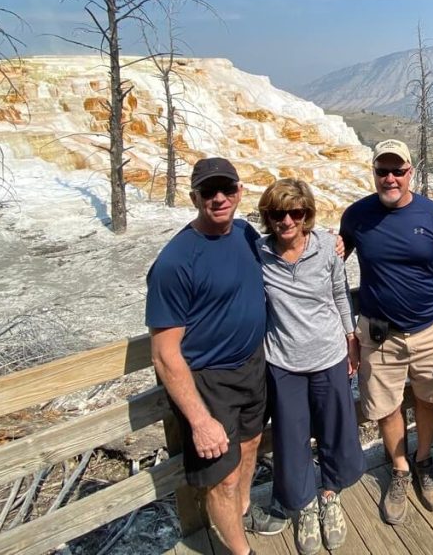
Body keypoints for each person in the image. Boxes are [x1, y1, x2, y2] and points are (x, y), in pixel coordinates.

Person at [145, 158, 288, 555]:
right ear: (194, 198)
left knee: (250, 445)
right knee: (220, 478)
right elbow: (164, 354)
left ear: (240, 191)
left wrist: (330, 241)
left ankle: (243, 510)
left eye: (227, 189)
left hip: (252, 366)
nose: (220, 198)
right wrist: (199, 419)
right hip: (208, 381)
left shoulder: (244, 233)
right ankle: (240, 551)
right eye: (209, 192)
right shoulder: (175, 262)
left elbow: (286, 245)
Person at [339, 139, 433, 526]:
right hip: (378, 332)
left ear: (411, 172)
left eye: (398, 170)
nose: (391, 178)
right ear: (374, 173)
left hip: (430, 328)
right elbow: (329, 266)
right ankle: (399, 467)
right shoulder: (357, 216)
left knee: (430, 398)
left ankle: (423, 459)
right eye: (383, 171)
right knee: (386, 404)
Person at [256, 179, 365, 555]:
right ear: (267, 217)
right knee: (291, 438)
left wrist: (352, 337)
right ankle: (303, 505)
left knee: (336, 429)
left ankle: (330, 495)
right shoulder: (259, 253)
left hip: (328, 356)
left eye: (295, 213)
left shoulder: (326, 248)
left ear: (307, 215)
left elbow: (339, 293)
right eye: (277, 214)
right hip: (283, 361)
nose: (287, 221)